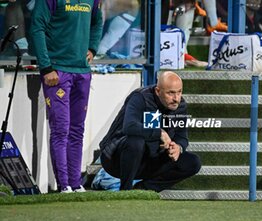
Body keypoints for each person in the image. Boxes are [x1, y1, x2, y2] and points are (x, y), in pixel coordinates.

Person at [30, 0, 103, 193]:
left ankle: (76, 183)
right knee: (61, 129)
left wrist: (93, 47)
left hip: (82, 72)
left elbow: (97, 21)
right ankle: (64, 185)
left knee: (77, 129)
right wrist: (46, 66)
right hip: (57, 71)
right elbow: (37, 28)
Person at [99, 71, 201, 192]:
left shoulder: (180, 105)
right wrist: (160, 133)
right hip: (115, 159)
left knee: (193, 162)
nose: (176, 98)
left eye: (179, 92)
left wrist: (178, 147)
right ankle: (125, 190)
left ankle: (144, 189)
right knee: (136, 141)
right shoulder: (140, 97)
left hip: (150, 159)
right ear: (158, 91)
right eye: (171, 93)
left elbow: (182, 137)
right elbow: (129, 127)